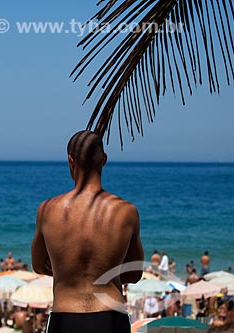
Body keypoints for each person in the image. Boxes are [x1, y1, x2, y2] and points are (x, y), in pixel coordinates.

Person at [31, 130, 144, 333]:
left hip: (65, 318)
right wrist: (106, 276)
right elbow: (134, 272)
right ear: (104, 159)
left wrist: (66, 272)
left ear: (70, 160)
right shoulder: (126, 211)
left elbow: (39, 265)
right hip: (110, 316)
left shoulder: (48, 209)